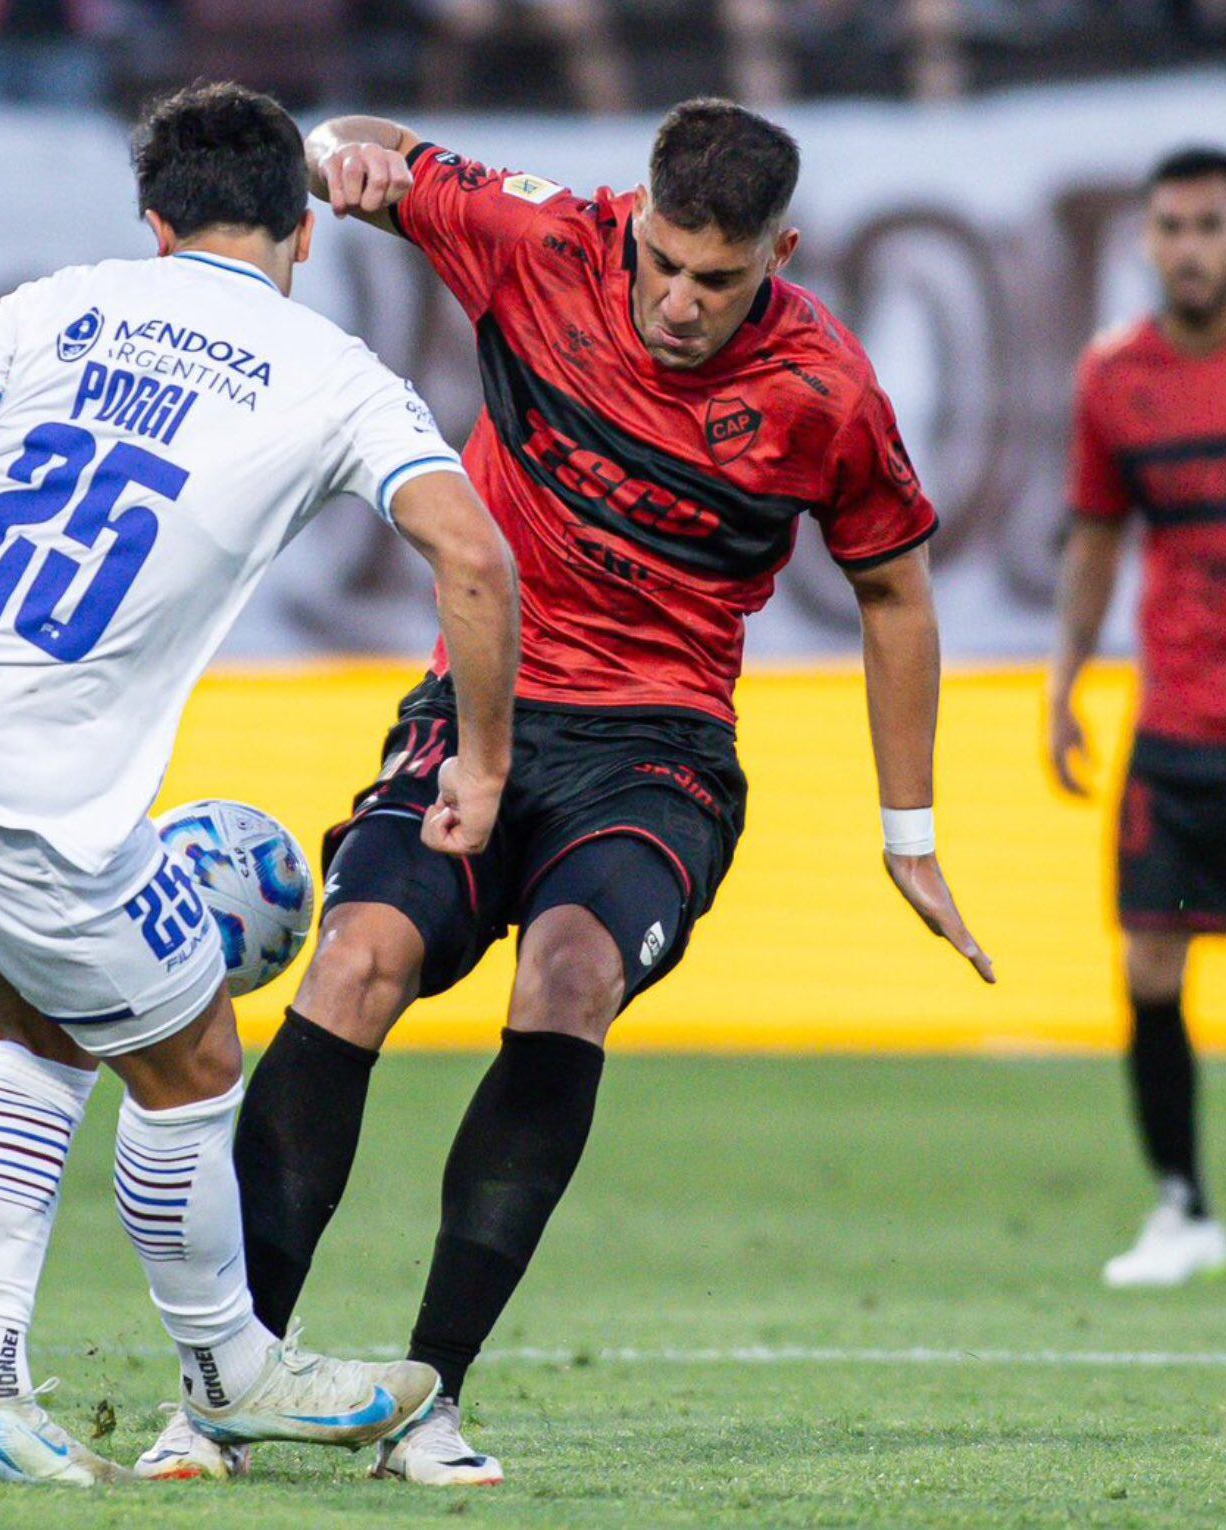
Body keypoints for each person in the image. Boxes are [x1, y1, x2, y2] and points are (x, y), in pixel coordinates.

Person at [185, 97, 998, 1487]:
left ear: (782, 254)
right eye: (667, 263)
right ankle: (223, 1384)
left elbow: (895, 592)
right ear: (634, 214)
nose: (682, 302)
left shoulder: (827, 391)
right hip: (478, 709)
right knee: (360, 956)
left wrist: (908, 833)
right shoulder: (538, 239)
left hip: (659, 753)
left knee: (565, 981)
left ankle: (427, 1396)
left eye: (721, 279)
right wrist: (340, 153)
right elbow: (340, 144)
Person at [0, 81, 520, 1485]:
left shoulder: (55, 303)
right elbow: (477, 561)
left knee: (51, 1040)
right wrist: (487, 765)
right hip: (29, 800)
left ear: (154, 223)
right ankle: (231, 1366)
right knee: (196, 1064)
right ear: (302, 232)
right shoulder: (333, 373)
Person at [1048, 145, 1226, 1289]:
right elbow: (1099, 536)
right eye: (1172, 226)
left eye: (1210, 225)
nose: (1191, 248)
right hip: (1177, 727)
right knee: (1151, 968)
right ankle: (1182, 1208)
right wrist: (1064, 679)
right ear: (1147, 239)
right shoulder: (1115, 377)